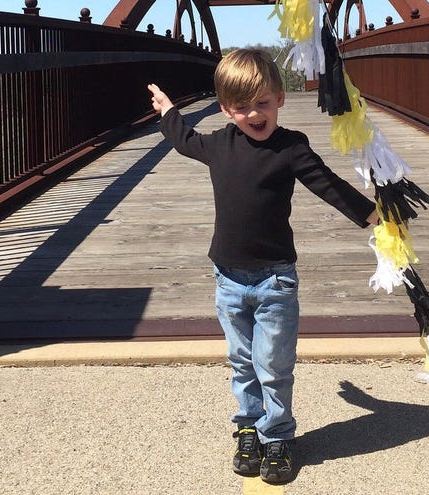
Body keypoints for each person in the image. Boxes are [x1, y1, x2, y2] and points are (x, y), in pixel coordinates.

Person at [148, 47, 377, 484]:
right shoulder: (218, 145)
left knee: (272, 364)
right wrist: (169, 111)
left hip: (275, 280)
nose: (254, 114)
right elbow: (182, 141)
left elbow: (327, 185)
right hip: (228, 278)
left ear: (280, 99)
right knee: (240, 361)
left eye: (262, 103)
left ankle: (279, 437)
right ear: (225, 109)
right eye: (241, 107)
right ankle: (249, 427)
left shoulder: (291, 148)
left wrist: (374, 217)